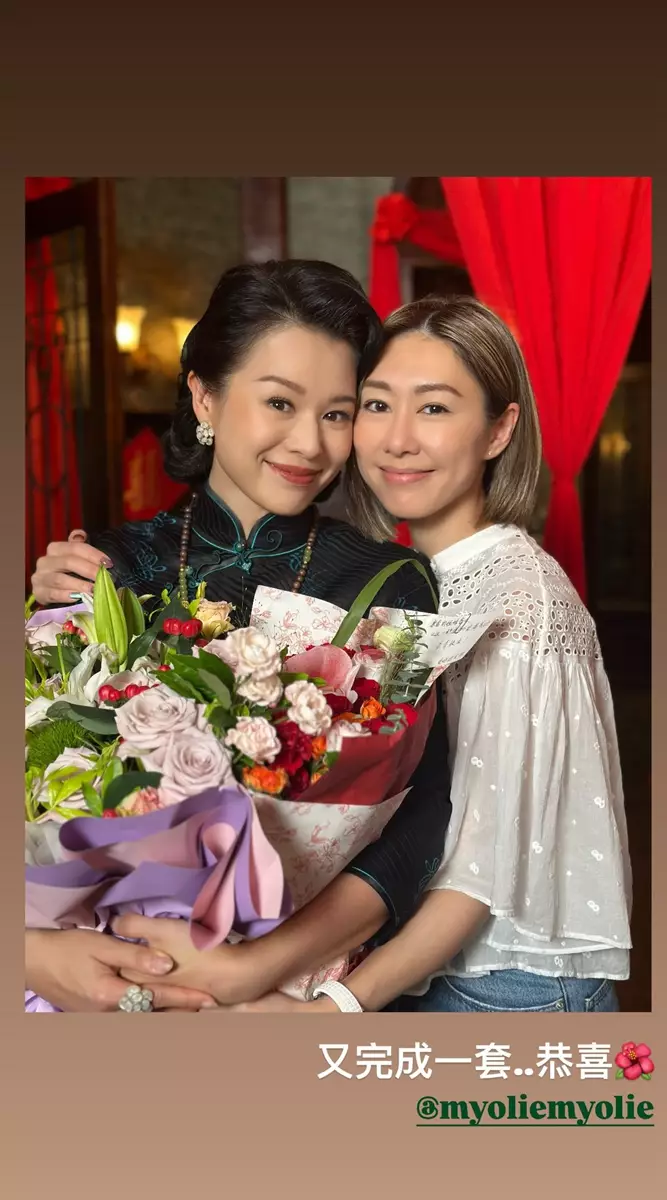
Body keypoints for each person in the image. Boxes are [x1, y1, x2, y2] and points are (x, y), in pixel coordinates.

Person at [177, 293, 631, 1015]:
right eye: (376, 405)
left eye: (435, 408)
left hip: (502, 990)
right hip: (410, 968)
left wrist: (329, 1010)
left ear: (498, 429)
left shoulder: (517, 601)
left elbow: (479, 871)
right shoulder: (401, 580)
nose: (396, 440)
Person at [26, 261, 452, 1013]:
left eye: (337, 413)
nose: (309, 444)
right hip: (100, 978)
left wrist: (258, 972)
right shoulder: (103, 569)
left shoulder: (391, 584)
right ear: (205, 395)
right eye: (280, 402)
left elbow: (424, 817)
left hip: (287, 996)